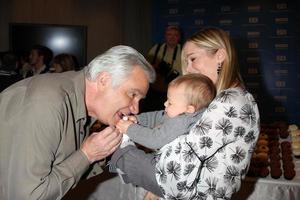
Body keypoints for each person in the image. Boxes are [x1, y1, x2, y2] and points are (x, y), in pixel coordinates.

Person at [109, 27, 260, 200]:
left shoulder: (229, 103)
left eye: (193, 59)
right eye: (186, 62)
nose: (187, 69)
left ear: (220, 56)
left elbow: (175, 175)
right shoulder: (226, 98)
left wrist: (124, 149)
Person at [0, 45, 156, 199]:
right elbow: (27, 196)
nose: (135, 109)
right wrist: (86, 155)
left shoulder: (81, 107)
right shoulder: (47, 103)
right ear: (104, 80)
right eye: (132, 94)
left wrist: (107, 148)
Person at [116, 73, 216, 151]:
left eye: (170, 103)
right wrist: (138, 119)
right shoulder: (181, 112)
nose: (165, 103)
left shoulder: (181, 122)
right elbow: (158, 116)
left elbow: (155, 139)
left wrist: (129, 129)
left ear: (189, 109)